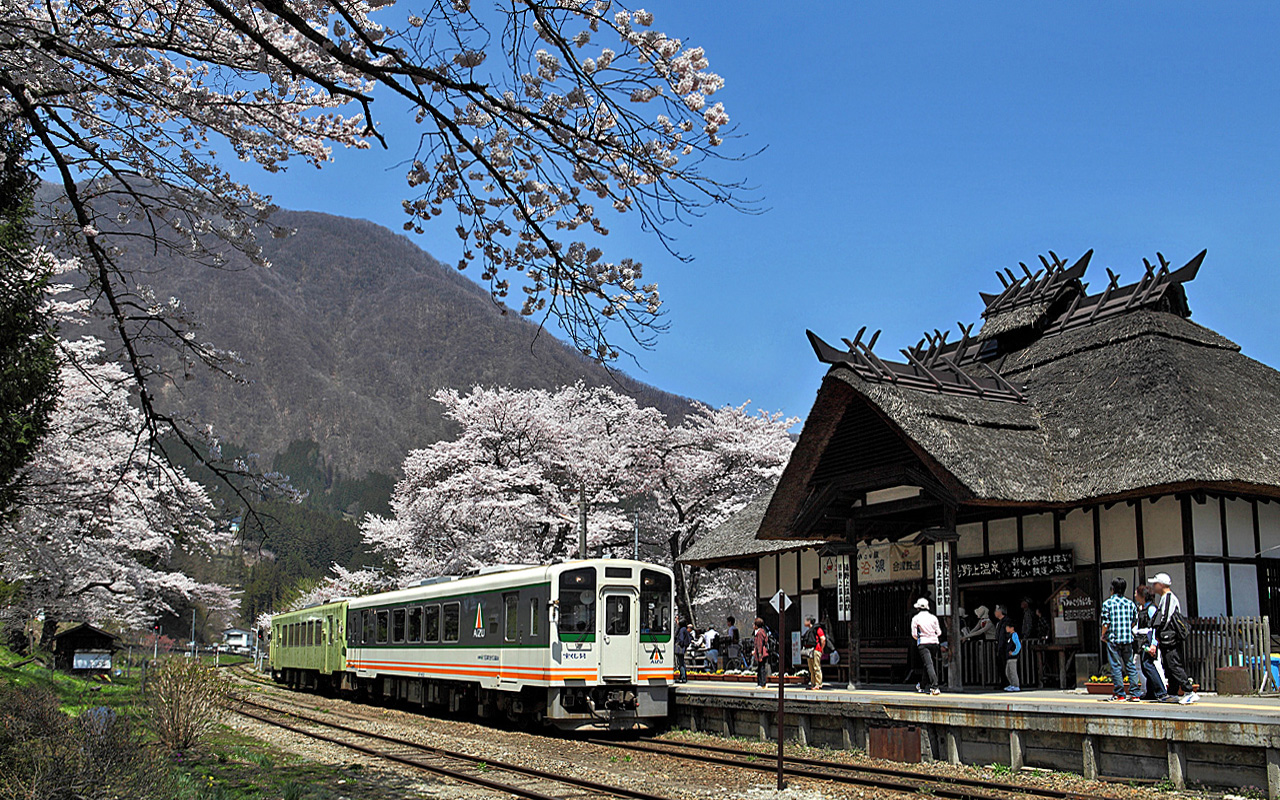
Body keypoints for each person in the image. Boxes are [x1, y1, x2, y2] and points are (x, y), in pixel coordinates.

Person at [1150, 573, 1198, 704]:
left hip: (1169, 637)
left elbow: (1165, 617)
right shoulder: (1166, 598)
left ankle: (1189, 691)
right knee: (1169, 665)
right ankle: (1173, 692)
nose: (1153, 586)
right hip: (1168, 637)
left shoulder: (1168, 598)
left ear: (1161, 584)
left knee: (1173, 664)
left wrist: (1159, 631)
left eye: (1155, 583)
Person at [1099, 576, 1141, 701]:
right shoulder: (1130, 604)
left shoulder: (1108, 604)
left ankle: (1120, 693)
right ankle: (1135, 693)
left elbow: (1105, 623)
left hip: (1113, 638)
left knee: (1116, 666)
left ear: (1112, 589)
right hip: (1128, 639)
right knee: (1130, 665)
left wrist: (1103, 635)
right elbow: (1134, 621)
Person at [1135, 584, 1168, 701]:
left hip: (1148, 640)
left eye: (1136, 593)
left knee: (1148, 665)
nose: (1135, 595)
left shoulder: (1151, 609)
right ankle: (1151, 692)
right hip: (1143, 640)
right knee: (1145, 666)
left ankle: (1161, 692)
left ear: (1142, 595)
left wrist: (1154, 643)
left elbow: (1155, 627)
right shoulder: (1144, 608)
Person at [911, 598, 942, 696]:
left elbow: (914, 634)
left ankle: (935, 686)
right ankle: (922, 685)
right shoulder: (933, 617)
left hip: (923, 643)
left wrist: (920, 639)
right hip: (934, 642)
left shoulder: (916, 618)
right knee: (928, 664)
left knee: (929, 664)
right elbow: (939, 632)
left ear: (918, 608)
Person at [800, 616, 826, 689]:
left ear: (809, 621)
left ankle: (818, 684)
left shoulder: (817, 629)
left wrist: (821, 648)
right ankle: (813, 683)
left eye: (805, 620)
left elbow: (823, 639)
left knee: (816, 667)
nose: (804, 622)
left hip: (816, 649)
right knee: (811, 668)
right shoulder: (809, 630)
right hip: (809, 651)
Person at [1003, 618, 1022, 692]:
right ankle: (1012, 684)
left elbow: (1018, 645)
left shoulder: (1014, 635)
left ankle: (1016, 685)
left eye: (1008, 627)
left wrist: (1014, 652)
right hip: (1009, 657)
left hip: (1013, 657)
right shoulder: (1009, 636)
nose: (1006, 628)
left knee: (1013, 671)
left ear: (1012, 628)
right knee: (1008, 671)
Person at [752, 617, 771, 687]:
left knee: (761, 668)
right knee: (761, 668)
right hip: (764, 653)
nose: (753, 626)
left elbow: (759, 644)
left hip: (762, 653)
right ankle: (761, 683)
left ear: (757, 625)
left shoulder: (759, 633)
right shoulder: (763, 631)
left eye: (754, 624)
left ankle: (762, 683)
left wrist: (759, 655)